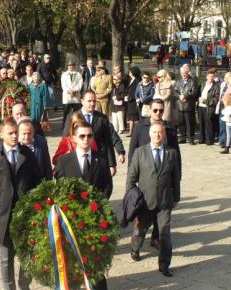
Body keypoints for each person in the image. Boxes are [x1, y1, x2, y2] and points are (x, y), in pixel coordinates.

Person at [0, 117, 42, 290]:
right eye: (11, 133)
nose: (15, 136)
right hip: (2, 216)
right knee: (6, 259)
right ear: (1, 135)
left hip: (26, 215)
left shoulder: (28, 155)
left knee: (27, 257)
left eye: (16, 132)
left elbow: (38, 183)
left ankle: (25, 285)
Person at [54, 120, 113, 290]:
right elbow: (60, 191)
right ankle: (75, 286)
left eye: (89, 136)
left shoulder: (101, 159)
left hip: (95, 219)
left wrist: (96, 205)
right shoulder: (64, 162)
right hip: (72, 220)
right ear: (73, 138)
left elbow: (107, 187)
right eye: (82, 136)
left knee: (97, 258)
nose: (86, 139)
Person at [127, 122, 180, 277]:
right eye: (155, 132)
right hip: (145, 201)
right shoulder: (140, 152)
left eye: (160, 132)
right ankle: (135, 248)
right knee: (140, 230)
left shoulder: (171, 153)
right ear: (150, 134)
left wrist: (176, 197)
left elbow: (175, 177)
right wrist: (130, 199)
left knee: (165, 233)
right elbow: (131, 178)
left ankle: (164, 264)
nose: (157, 135)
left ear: (164, 134)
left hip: (164, 201)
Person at [63, 90, 117, 176]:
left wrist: (112, 164)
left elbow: (108, 142)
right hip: (77, 160)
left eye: (94, 101)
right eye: (89, 101)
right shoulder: (72, 117)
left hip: (97, 160)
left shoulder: (102, 118)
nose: (92, 104)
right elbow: (65, 139)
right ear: (82, 101)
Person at [174, 65, 198, 144]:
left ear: (188, 72)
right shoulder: (178, 81)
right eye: (182, 73)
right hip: (180, 105)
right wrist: (179, 96)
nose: (183, 74)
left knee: (189, 123)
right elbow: (174, 91)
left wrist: (185, 96)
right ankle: (183, 137)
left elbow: (194, 92)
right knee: (181, 123)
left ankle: (191, 138)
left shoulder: (193, 81)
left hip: (188, 105)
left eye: (185, 73)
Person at [197, 70, 220, 145]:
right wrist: (199, 99)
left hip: (209, 107)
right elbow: (199, 93)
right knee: (201, 123)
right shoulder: (203, 84)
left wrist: (205, 100)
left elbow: (216, 99)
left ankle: (210, 140)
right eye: (210, 76)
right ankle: (202, 139)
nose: (211, 78)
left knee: (209, 124)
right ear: (206, 77)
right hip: (200, 106)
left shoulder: (216, 86)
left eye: (213, 76)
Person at [61, 61, 83, 129]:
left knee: (76, 112)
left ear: (74, 66)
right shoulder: (64, 74)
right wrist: (70, 91)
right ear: (67, 66)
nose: (70, 67)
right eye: (69, 66)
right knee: (66, 112)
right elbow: (63, 85)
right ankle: (64, 126)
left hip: (76, 96)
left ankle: (77, 125)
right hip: (67, 96)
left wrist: (75, 90)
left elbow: (80, 83)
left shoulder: (78, 74)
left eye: (72, 66)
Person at [126, 66, 141, 137]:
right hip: (130, 101)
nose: (129, 73)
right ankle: (130, 132)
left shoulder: (137, 81)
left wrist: (130, 98)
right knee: (131, 117)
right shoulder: (130, 80)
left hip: (134, 101)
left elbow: (136, 92)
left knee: (135, 118)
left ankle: (136, 132)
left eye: (130, 71)